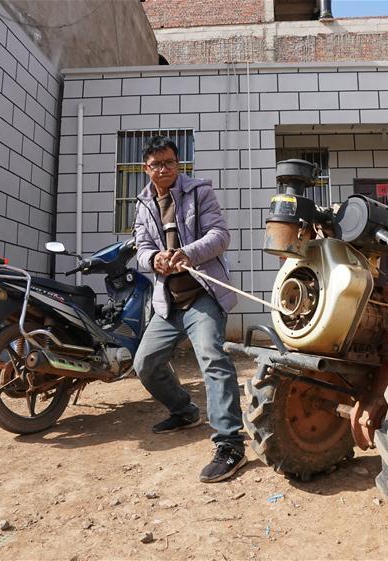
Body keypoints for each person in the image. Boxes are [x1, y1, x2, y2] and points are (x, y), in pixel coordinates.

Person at [131, 135, 246, 483]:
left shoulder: (200, 192)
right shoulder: (143, 203)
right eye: (156, 165)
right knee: (145, 363)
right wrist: (155, 258)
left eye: (169, 162)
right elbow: (140, 250)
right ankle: (184, 410)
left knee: (213, 359)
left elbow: (220, 235)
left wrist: (188, 254)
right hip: (168, 302)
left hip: (202, 296)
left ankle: (230, 444)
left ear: (178, 164)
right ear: (146, 169)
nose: (163, 169)